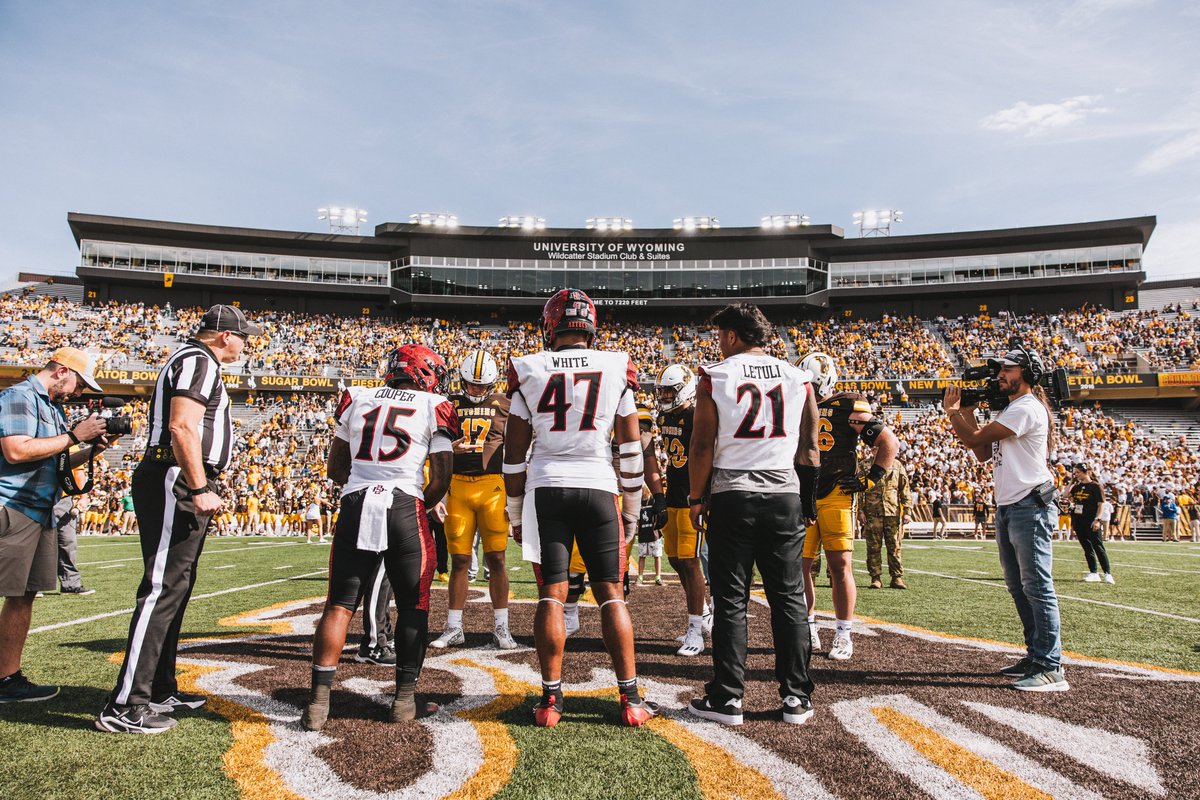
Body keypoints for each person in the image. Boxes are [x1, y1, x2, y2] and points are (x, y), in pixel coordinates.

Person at [97, 306, 260, 732]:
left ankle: (158, 687)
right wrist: (199, 486)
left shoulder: (194, 360)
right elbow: (182, 427)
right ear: (226, 335)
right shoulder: (198, 361)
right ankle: (126, 703)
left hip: (177, 475)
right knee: (163, 587)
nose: (246, 345)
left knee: (177, 586)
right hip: (175, 475)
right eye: (244, 336)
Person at [503, 288, 658, 728]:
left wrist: (515, 513)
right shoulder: (615, 365)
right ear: (591, 326)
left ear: (550, 326)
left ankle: (550, 701)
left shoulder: (529, 367)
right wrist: (632, 510)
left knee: (551, 595)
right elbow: (631, 451)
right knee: (611, 594)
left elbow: (513, 457)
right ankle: (630, 699)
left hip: (547, 488)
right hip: (598, 486)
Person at [302, 344, 457, 730]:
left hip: (356, 502)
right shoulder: (434, 404)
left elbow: (335, 467)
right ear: (424, 372)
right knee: (413, 606)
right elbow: (441, 476)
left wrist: (363, 483)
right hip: (404, 504)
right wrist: (418, 504)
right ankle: (403, 701)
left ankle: (318, 703)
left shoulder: (357, 396)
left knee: (338, 606)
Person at [686, 303, 820, 727]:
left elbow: (702, 445)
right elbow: (810, 447)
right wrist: (808, 503)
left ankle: (728, 698)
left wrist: (695, 497)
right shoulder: (798, 377)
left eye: (719, 336)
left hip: (733, 495)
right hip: (784, 495)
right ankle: (796, 697)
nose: (718, 344)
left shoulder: (716, 375)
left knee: (730, 600)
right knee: (789, 598)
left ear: (731, 336)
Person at [944, 343, 1068, 692]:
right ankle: (1036, 655)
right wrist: (967, 412)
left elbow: (973, 438)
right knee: (1019, 586)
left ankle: (1050, 666)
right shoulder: (1014, 408)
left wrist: (953, 412)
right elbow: (982, 451)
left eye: (1007, 370)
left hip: (1029, 504)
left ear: (1027, 374)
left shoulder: (1025, 407)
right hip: (1012, 504)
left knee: (1037, 586)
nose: (1000, 375)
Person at [0, 348, 110, 703]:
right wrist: (75, 436)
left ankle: (7, 678)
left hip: (39, 510)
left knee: (23, 595)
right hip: (13, 505)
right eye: (79, 384)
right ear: (62, 371)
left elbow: (56, 461)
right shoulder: (19, 396)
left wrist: (92, 450)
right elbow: (16, 450)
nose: (79, 392)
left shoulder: (52, 406)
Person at [797, 351, 899, 661]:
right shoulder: (795, 404)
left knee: (839, 565)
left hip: (837, 493)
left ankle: (843, 633)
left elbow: (888, 441)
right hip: (801, 493)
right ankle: (808, 627)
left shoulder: (847, 405)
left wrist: (871, 479)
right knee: (799, 566)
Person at [431, 350, 517, 652]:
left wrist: (515, 497)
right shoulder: (449, 404)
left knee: (497, 559)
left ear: (492, 383)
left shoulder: (505, 405)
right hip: (457, 486)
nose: (475, 390)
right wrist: (437, 491)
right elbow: (433, 446)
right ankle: (454, 627)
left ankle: (502, 627)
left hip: (493, 486)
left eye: (481, 385)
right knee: (459, 560)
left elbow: (518, 450)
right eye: (470, 384)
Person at [655, 364, 713, 657]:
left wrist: (703, 496)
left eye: (669, 391)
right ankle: (704, 613)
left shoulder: (695, 416)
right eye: (662, 391)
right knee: (675, 559)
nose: (664, 396)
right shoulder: (664, 416)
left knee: (690, 562)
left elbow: (708, 454)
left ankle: (695, 630)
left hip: (693, 496)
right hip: (673, 494)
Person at [858, 458, 910, 590]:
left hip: (892, 511)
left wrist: (907, 511)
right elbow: (859, 490)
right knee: (873, 547)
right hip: (872, 513)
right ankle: (875, 578)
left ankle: (896, 577)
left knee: (894, 546)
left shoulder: (897, 464)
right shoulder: (864, 465)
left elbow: (904, 488)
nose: (876, 448)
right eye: (874, 447)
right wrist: (860, 511)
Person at [1067, 463, 1113, 583]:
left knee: (1098, 546)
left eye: (1078, 472)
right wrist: (1071, 482)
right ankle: (1093, 572)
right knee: (1087, 547)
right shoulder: (1077, 486)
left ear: (1086, 472)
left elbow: (1101, 504)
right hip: (1079, 520)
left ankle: (1107, 573)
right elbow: (1065, 495)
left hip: (1091, 520)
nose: (1076, 475)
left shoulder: (1095, 486)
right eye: (1074, 473)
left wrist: (1097, 519)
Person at [55, 494, 94, 595]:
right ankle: (33, 586)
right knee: (38, 543)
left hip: (65, 501)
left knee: (68, 543)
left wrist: (83, 498)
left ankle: (70, 584)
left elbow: (81, 485)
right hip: (40, 498)